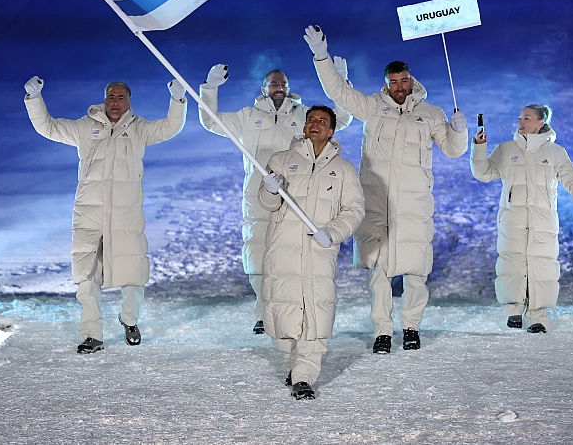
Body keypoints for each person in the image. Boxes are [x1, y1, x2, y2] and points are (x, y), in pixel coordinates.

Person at [303, 26, 468, 354]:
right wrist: (321, 57)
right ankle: (382, 330)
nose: (399, 87)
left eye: (404, 81)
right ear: (386, 83)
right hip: (377, 200)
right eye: (393, 82)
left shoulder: (430, 113)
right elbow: (339, 93)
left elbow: (453, 150)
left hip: (414, 202)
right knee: (378, 266)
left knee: (415, 267)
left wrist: (459, 130)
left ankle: (411, 327)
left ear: (411, 80)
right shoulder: (372, 108)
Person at [24, 76, 187, 353]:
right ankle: (92, 334)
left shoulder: (139, 129)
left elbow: (171, 127)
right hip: (89, 214)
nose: (115, 102)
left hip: (126, 215)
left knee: (133, 273)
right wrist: (34, 98)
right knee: (86, 277)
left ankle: (130, 319)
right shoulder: (85, 127)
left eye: (121, 97)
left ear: (129, 101)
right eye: (111, 97)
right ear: (104, 99)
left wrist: (177, 100)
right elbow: (48, 127)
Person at [198, 64, 351, 335]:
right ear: (263, 89)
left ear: (289, 89)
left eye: (283, 85)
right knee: (258, 257)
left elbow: (342, 118)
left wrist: (342, 83)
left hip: (297, 197)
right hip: (258, 195)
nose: (278, 89)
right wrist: (210, 89)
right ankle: (263, 311)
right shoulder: (248, 116)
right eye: (273, 84)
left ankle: (292, 312)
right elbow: (211, 120)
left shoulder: (305, 116)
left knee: (290, 258)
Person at [258, 105, 365, 400]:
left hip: (319, 251)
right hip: (284, 251)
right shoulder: (281, 160)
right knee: (284, 314)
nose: (314, 124)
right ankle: (292, 363)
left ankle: (304, 376)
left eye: (322, 121)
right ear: (304, 126)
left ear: (331, 130)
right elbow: (267, 204)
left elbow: (355, 209)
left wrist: (332, 232)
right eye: (310, 120)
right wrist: (269, 188)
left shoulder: (343, 169)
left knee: (316, 313)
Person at [470, 104, 573, 333]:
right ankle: (514, 311)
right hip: (513, 219)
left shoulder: (555, 153)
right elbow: (483, 173)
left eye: (527, 118)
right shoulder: (505, 149)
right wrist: (479, 148)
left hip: (543, 221)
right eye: (520, 118)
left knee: (542, 266)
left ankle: (538, 316)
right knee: (512, 263)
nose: (521, 122)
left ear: (541, 122)